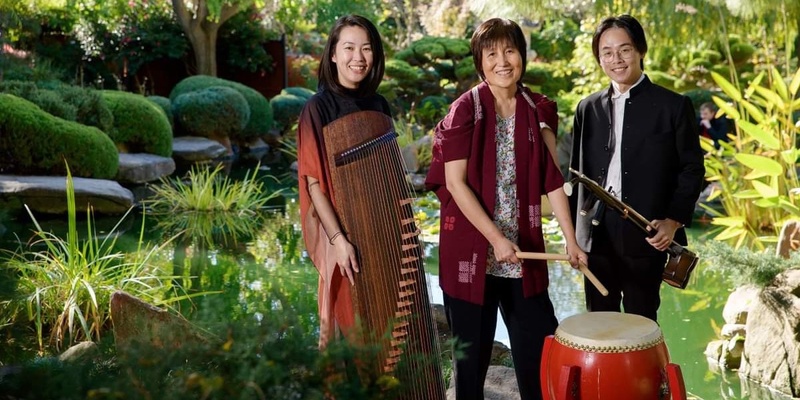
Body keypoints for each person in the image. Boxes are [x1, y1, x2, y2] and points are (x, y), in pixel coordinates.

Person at [425, 18, 588, 400]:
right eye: (491, 53)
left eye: (510, 50)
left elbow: (552, 180)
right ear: (479, 61)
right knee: (469, 370)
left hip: (524, 255)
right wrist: (497, 238)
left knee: (541, 356)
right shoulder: (464, 110)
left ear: (522, 56)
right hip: (472, 254)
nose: (503, 61)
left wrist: (571, 240)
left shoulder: (535, 109)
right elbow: (454, 183)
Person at [569, 14, 705, 322]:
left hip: (646, 233)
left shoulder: (673, 105)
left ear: (640, 51)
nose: (616, 59)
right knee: (599, 324)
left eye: (624, 49)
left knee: (641, 323)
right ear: (599, 58)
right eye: (607, 52)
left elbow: (692, 169)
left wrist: (673, 221)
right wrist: (572, 238)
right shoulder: (587, 108)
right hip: (595, 235)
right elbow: (576, 175)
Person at [297, 14, 390, 348]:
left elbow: (387, 176)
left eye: (366, 49)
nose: (358, 57)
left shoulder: (379, 104)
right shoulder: (316, 108)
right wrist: (338, 240)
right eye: (349, 48)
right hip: (340, 235)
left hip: (379, 232)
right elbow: (313, 184)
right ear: (333, 54)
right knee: (349, 333)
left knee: (385, 328)